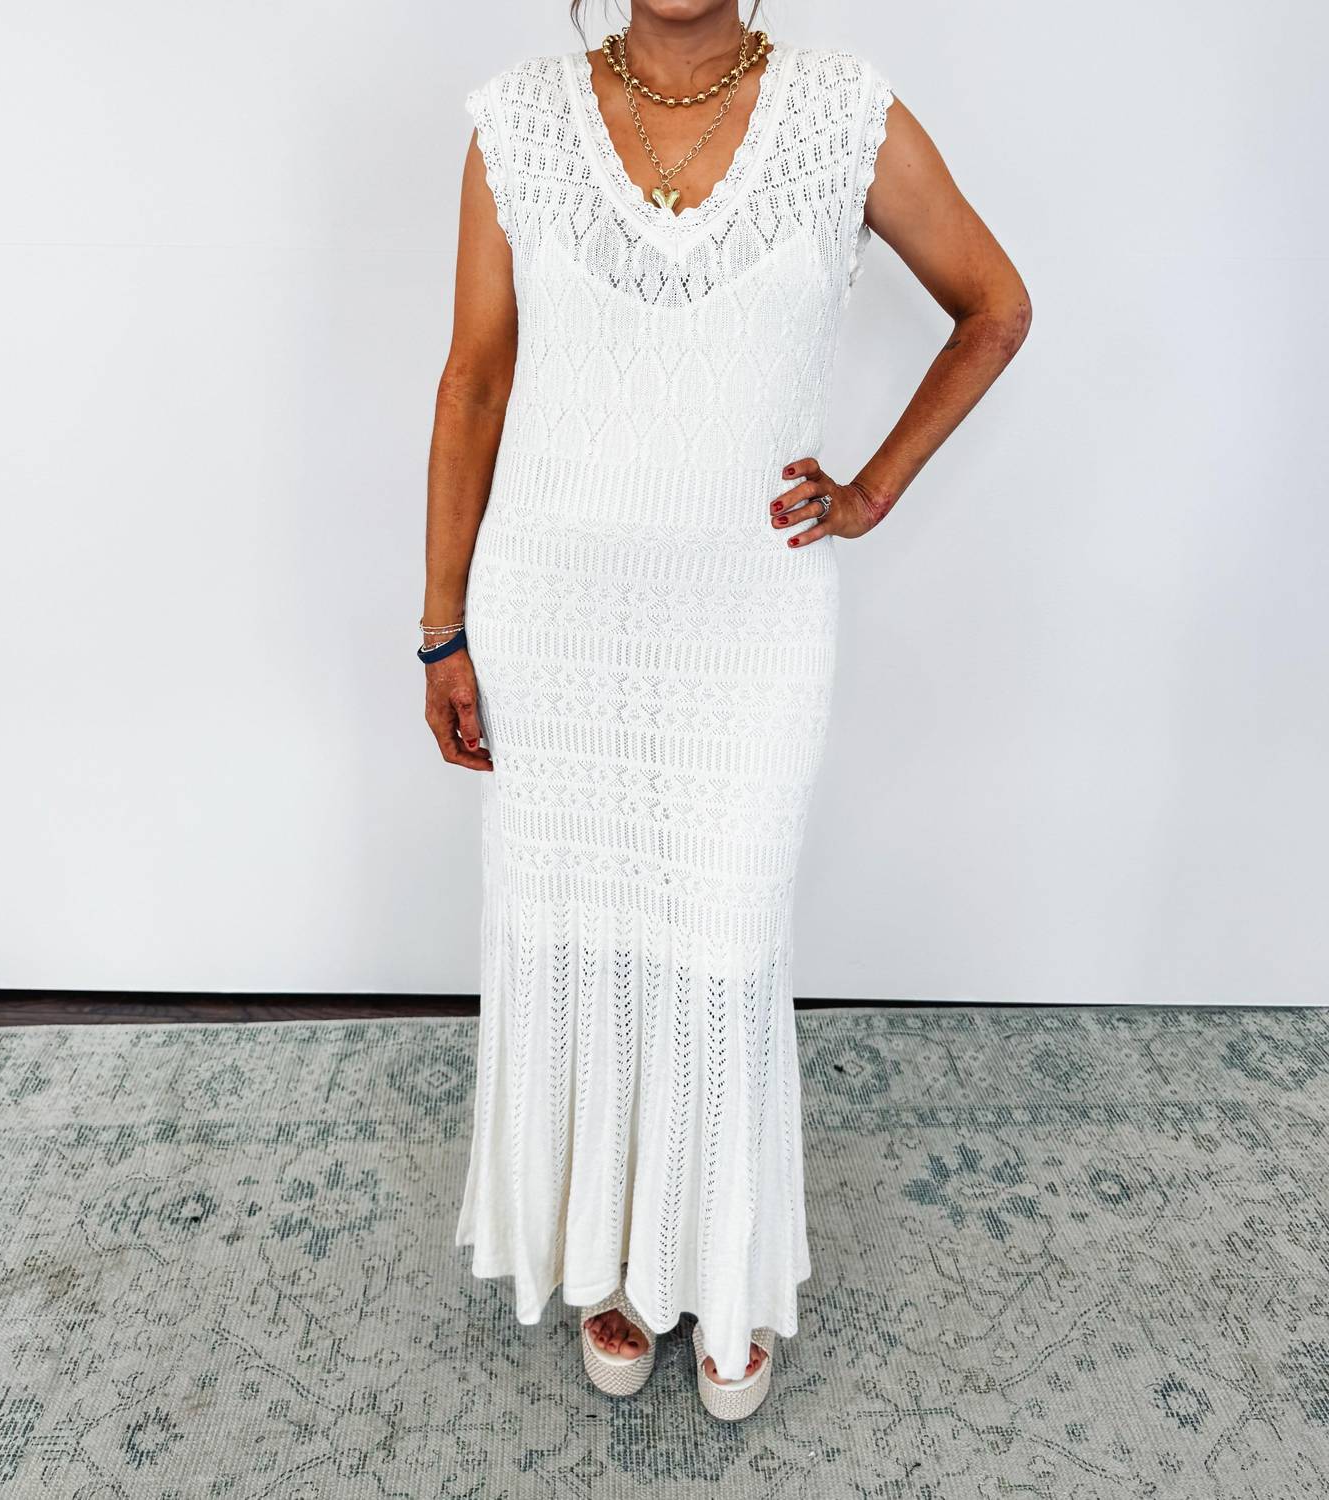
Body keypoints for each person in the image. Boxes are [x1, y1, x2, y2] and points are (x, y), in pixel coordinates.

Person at [422, 0, 1030, 1421]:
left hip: (747, 623)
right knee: (583, 932)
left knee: (723, 939)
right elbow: (475, 378)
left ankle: (726, 1273)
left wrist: (871, 490)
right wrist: (442, 627)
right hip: (556, 616)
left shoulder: (843, 115)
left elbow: (994, 307)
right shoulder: (516, 121)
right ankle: (615, 1263)